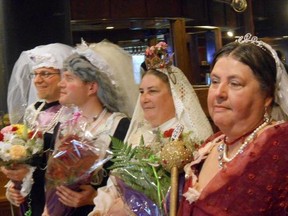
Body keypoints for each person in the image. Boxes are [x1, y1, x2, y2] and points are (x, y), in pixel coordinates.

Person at [89, 41, 213, 215]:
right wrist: (101, 208)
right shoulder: (139, 133)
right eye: (141, 92)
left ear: (176, 95)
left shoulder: (188, 138)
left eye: (152, 91)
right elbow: (116, 183)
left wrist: (130, 209)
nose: (144, 99)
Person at [178, 33, 288, 215]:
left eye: (235, 83)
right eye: (214, 81)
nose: (219, 93)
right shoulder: (211, 145)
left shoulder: (279, 146)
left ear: (267, 96)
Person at [43, 41, 137, 216]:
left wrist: (94, 197)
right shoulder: (63, 125)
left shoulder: (120, 127)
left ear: (92, 87)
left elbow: (132, 189)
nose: (60, 84)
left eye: (69, 78)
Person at [1, 43, 74, 216]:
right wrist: (14, 185)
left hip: (59, 199)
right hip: (32, 197)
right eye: (35, 74)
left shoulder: (74, 113)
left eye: (46, 74)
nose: (37, 80)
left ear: (64, 75)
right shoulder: (33, 110)